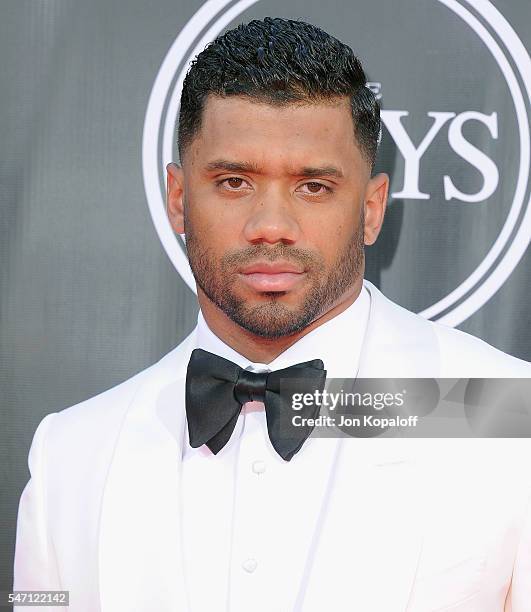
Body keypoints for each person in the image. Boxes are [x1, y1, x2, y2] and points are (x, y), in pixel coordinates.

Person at [13, 17, 531, 612]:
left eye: (313, 187)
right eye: (234, 181)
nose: (271, 227)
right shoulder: (71, 456)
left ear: (371, 208)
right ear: (179, 199)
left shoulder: (507, 413)